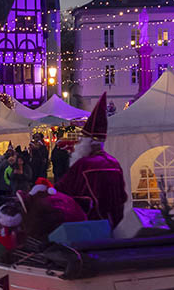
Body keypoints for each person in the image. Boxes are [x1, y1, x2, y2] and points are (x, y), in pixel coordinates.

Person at [55, 92, 129, 227]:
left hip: (88, 224)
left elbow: (63, 190)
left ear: (88, 143)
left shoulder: (83, 165)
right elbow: (122, 197)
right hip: (113, 222)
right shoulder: (114, 163)